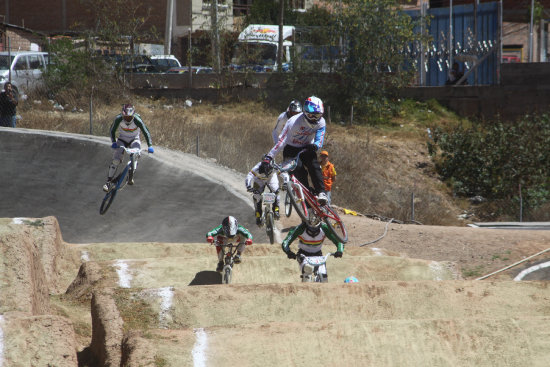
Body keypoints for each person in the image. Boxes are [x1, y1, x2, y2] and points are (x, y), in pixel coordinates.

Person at [263, 96, 328, 205]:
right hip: (291, 149)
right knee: (299, 171)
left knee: (314, 165)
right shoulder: (293, 122)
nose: (314, 119)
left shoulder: (321, 122)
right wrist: (269, 157)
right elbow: (281, 141)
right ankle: (308, 201)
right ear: (305, 112)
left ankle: (321, 192)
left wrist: (315, 146)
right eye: (312, 115)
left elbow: (319, 140)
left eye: (318, 115)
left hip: (307, 147)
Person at [103, 103, 154, 192]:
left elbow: (146, 132)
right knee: (116, 160)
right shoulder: (118, 119)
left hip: (134, 139)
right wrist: (114, 142)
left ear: (133, 116)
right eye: (125, 117)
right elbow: (112, 130)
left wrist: (150, 145)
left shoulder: (137, 120)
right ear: (122, 114)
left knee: (136, 153)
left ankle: (131, 174)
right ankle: (108, 182)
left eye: (129, 118)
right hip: (122, 139)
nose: (127, 119)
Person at [245, 155, 281, 225]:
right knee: (256, 195)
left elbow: (284, 174)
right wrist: (248, 186)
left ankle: (276, 210)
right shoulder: (256, 167)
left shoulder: (275, 167)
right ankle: (258, 214)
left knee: (276, 191)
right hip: (259, 180)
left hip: (271, 178)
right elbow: (249, 176)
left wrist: (285, 183)